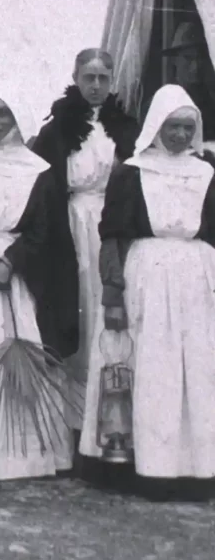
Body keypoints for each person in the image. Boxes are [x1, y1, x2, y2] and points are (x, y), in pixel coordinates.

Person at [99, 85, 215, 498]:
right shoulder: (132, 171)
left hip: (199, 277)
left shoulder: (207, 172)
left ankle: (198, 467)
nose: (181, 135)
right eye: (172, 127)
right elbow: (112, 236)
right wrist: (112, 293)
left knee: (199, 369)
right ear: (156, 126)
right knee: (154, 367)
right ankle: (152, 466)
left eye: (188, 127)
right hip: (147, 274)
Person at [30, 48, 138, 467]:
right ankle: (72, 427)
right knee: (75, 317)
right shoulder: (56, 130)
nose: (95, 85)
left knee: (109, 321)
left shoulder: (127, 129)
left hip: (111, 229)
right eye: (88, 77)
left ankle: (112, 427)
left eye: (103, 78)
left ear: (112, 81)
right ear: (75, 77)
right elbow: (41, 183)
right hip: (70, 226)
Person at [0, 95, 72, 480]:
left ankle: (22, 456)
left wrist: (9, 264)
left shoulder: (38, 170)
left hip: (17, 274)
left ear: (17, 115)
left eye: (3, 112)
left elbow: (43, 229)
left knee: (23, 354)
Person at [163, 20, 215, 135]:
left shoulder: (210, 104)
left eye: (201, 58)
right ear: (174, 60)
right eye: (188, 58)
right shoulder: (162, 104)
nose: (195, 66)